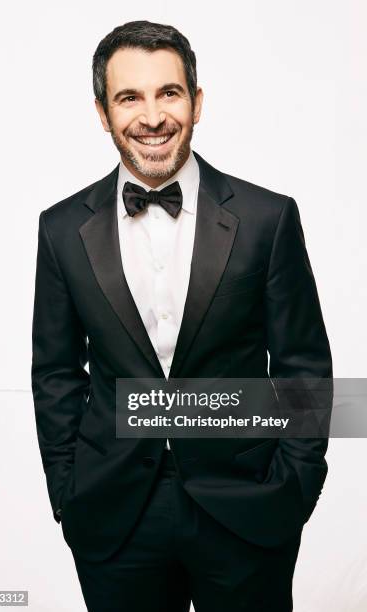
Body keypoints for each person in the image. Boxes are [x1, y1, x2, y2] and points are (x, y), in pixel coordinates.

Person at [31, 19, 332, 612]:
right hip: (114, 515)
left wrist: (294, 485)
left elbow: (304, 366)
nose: (152, 116)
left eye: (168, 92)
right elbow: (56, 375)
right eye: (129, 97)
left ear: (196, 101)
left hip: (246, 509)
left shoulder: (268, 219)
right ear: (102, 111)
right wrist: (68, 491)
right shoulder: (61, 229)